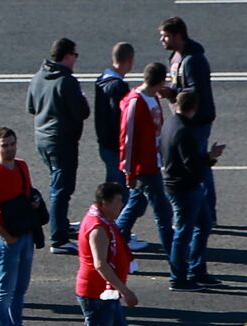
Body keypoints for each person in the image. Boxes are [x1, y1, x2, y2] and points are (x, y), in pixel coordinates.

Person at [49, 183, 150, 326]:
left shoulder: (103, 220)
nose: (121, 205)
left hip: (107, 292)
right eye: (117, 201)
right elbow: (100, 265)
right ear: (104, 203)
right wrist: (126, 291)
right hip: (96, 294)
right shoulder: (97, 228)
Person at [0, 127, 48, 326]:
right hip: (7, 238)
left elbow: (26, 192)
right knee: (5, 289)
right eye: (5, 145)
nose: (9, 149)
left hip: (25, 232)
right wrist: (6, 236)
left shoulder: (21, 166)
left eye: (12, 144)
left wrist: (34, 203)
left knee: (21, 287)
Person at [26, 36, 90, 253]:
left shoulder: (38, 76)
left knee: (58, 182)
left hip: (43, 139)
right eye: (75, 55)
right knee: (61, 188)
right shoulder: (67, 81)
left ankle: (60, 224)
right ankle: (58, 238)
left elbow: (31, 107)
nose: (76, 60)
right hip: (62, 142)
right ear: (67, 55)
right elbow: (82, 112)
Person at [162, 91, 226, 290]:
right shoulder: (184, 131)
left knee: (203, 224)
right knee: (183, 233)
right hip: (184, 188)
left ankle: (197, 270)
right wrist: (211, 157)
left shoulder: (170, 124)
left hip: (179, 185)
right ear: (194, 108)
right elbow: (192, 165)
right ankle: (178, 277)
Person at [159, 16, 217, 224]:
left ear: (178, 35)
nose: (162, 40)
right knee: (198, 163)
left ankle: (205, 213)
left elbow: (195, 92)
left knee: (198, 165)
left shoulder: (194, 60)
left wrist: (171, 93)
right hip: (183, 119)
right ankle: (206, 213)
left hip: (196, 121)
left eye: (165, 36)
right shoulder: (176, 57)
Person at [114, 63, 174, 253]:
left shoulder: (152, 98)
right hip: (144, 167)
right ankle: (174, 251)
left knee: (135, 204)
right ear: (161, 81)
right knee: (163, 210)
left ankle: (115, 237)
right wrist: (129, 171)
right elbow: (128, 141)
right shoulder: (136, 103)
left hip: (152, 162)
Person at [93, 42, 135, 188]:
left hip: (104, 142)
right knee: (119, 189)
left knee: (112, 185)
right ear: (130, 59)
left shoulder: (102, 79)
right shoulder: (118, 87)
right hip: (115, 146)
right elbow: (120, 120)